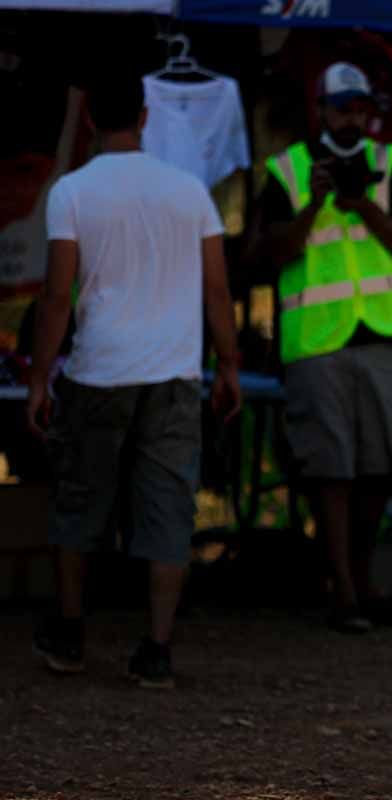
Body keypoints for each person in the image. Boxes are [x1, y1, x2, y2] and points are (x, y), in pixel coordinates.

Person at [27, 73, 242, 688]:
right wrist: (227, 366)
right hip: (174, 374)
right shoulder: (189, 192)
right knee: (167, 509)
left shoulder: (72, 191)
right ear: (145, 118)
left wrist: (41, 379)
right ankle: (156, 648)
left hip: (98, 370)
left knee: (80, 502)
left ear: (92, 119)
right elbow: (218, 290)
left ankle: (69, 634)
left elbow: (55, 297)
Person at [252, 62, 392, 633]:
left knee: (379, 467)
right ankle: (344, 594)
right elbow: (268, 254)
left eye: (360, 107)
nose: (352, 117)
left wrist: (364, 205)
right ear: (322, 111)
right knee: (330, 467)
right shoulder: (287, 170)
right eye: (342, 107)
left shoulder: (389, 164)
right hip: (316, 340)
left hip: (378, 332)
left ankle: (362, 582)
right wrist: (314, 204)